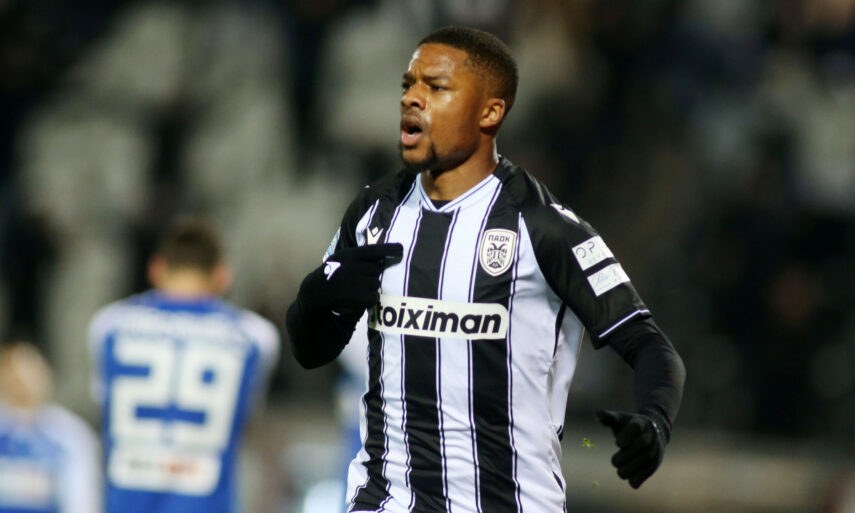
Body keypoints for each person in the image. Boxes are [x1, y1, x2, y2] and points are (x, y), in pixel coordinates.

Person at [285, 25, 686, 513]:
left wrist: (655, 421)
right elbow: (311, 350)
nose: (412, 98)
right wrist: (318, 295)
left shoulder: (543, 226)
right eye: (409, 84)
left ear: (490, 112)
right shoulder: (374, 213)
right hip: (385, 500)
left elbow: (650, 345)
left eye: (436, 87)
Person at [88, 218, 280, 513]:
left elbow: (102, 405)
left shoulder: (109, 325)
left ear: (156, 268)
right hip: (207, 502)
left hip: (126, 501)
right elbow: (249, 419)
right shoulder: (255, 336)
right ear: (222, 276)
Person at [0, 341, 102, 513]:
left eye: (30, 374)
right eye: (14, 376)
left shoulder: (71, 435)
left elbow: (82, 500)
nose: (22, 383)